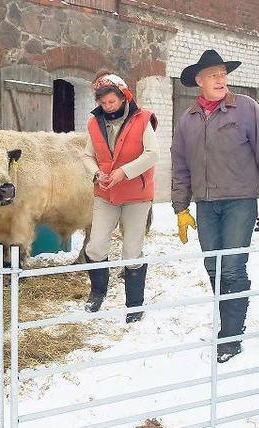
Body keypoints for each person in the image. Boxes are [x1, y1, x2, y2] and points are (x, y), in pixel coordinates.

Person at [171, 50, 259, 362]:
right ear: (199, 81)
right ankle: (228, 323)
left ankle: (231, 335)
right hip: (206, 205)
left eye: (223, 73)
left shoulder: (245, 108)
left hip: (239, 201)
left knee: (233, 266)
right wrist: (181, 208)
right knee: (213, 267)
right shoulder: (187, 120)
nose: (220, 79)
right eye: (213, 74)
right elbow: (180, 167)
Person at [81, 71, 158, 323]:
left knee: (132, 250)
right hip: (105, 192)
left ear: (124, 97)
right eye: (103, 103)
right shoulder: (94, 123)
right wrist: (96, 174)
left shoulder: (143, 119)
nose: (108, 106)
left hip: (136, 194)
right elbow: (87, 156)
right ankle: (97, 293)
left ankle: (134, 305)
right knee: (95, 246)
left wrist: (124, 172)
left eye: (112, 101)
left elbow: (152, 154)